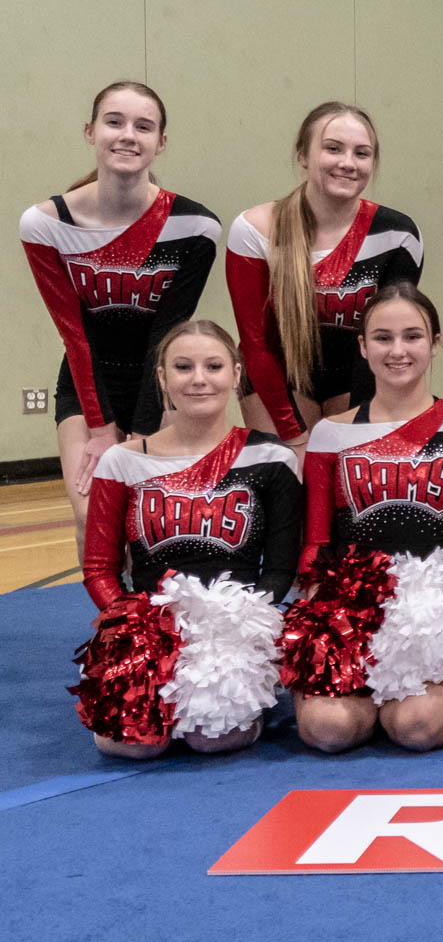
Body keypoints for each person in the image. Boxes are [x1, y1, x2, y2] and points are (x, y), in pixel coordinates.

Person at [290, 283, 443, 753]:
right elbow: (317, 541)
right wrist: (324, 614)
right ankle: (366, 703)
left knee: (416, 727)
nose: (398, 350)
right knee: (330, 731)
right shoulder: (330, 434)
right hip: (353, 614)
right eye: (383, 338)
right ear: (363, 346)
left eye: (412, 336)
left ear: (434, 342)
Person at [76, 321, 301, 758]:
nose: (199, 379)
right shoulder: (123, 461)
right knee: (130, 745)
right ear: (162, 378)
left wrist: (230, 629)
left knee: (215, 738)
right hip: (151, 633)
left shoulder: (271, 457)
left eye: (213, 366)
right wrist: (136, 629)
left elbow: (279, 570)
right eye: (183, 367)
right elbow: (99, 569)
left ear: (236, 375)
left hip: (231, 636)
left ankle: (247, 699)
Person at [22, 81, 219, 557]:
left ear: (161, 142)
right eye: (114, 122)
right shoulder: (47, 224)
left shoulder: (195, 227)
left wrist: (147, 427)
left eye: (143, 126)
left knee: (163, 510)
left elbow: (165, 334)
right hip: (89, 380)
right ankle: (112, 627)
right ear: (91, 132)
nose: (128, 135)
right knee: (93, 514)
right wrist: (101, 427)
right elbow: (74, 332)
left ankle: (164, 623)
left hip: (163, 379)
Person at [227, 101, 423, 454]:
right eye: (333, 148)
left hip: (357, 375)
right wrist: (295, 438)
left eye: (361, 153)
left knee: (345, 480)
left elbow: (387, 341)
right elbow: (256, 344)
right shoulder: (256, 229)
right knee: (288, 478)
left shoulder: (397, 234)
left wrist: (356, 431)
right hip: (278, 377)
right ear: (303, 154)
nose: (348, 163)